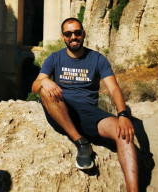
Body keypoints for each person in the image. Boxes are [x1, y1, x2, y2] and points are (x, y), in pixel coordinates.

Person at [32, 17, 138, 192]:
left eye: (77, 33)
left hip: (89, 114)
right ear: (63, 37)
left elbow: (114, 89)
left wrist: (123, 114)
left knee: (124, 134)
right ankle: (80, 142)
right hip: (62, 112)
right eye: (68, 34)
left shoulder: (97, 59)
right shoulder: (54, 58)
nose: (73, 37)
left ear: (83, 34)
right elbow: (35, 86)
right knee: (44, 90)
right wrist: (44, 82)